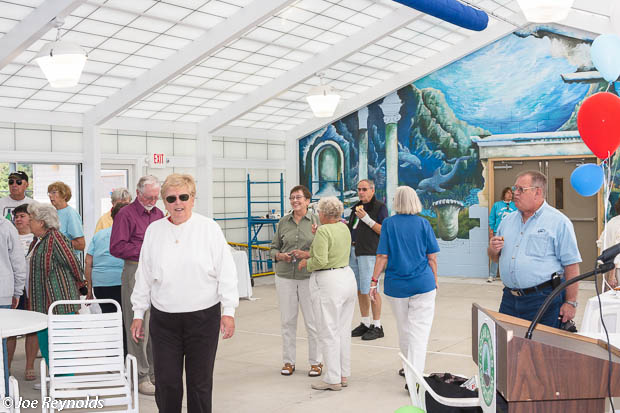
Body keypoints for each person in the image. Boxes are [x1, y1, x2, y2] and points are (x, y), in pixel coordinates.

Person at [130, 174, 238, 413]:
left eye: (183, 197)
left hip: (203, 319)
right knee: (167, 382)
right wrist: (138, 312)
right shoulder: (154, 231)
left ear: (193, 198)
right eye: (171, 198)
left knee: (199, 383)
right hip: (164, 321)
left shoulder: (208, 228)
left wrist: (228, 311)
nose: (177, 203)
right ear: (163, 201)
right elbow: (144, 274)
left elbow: (227, 272)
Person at [488, 171, 581, 328]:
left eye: (520, 190)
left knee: (540, 350)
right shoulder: (507, 221)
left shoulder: (559, 222)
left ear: (537, 192)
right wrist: (493, 249)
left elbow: (571, 265)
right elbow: (495, 257)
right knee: (509, 349)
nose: (514, 194)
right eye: (514, 188)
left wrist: (570, 303)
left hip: (543, 300)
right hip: (510, 299)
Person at [370, 186, 439, 376]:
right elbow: (432, 257)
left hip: (397, 286)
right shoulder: (424, 223)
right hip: (423, 284)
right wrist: (435, 279)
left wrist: (374, 282)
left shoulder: (389, 224)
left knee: (404, 329)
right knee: (420, 331)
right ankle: (415, 375)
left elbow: (382, 256)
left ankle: (409, 367)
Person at [110, 175, 163, 396]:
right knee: (137, 324)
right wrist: (145, 253)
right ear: (139, 193)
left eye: (156, 197)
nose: (153, 200)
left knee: (156, 326)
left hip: (158, 273)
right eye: (149, 197)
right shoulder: (126, 214)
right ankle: (139, 375)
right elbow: (116, 247)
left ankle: (154, 372)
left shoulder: (159, 214)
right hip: (134, 270)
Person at [299, 196, 356, 391]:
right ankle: (343, 373)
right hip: (347, 277)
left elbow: (321, 260)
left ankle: (332, 379)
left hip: (329, 282)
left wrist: (307, 263)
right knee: (342, 330)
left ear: (323, 213)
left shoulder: (323, 230)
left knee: (328, 330)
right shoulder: (343, 227)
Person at [270, 185, 321, 377]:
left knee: (312, 321)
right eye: (292, 198)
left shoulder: (317, 222)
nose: (295, 201)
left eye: (299, 197)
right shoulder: (283, 222)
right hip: (285, 277)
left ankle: (316, 362)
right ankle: (288, 361)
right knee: (287, 321)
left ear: (308, 201)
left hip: (308, 277)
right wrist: (280, 256)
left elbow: (323, 250)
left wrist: (306, 254)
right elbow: (273, 248)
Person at [27, 202, 84, 373]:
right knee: (46, 342)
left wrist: (82, 285)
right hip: (44, 304)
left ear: (42, 222)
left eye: (32, 219)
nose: (29, 222)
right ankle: (55, 377)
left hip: (59, 302)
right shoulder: (40, 240)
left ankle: (65, 379)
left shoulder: (56, 238)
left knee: (61, 343)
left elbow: (73, 263)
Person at [85, 201, 130, 355]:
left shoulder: (99, 235)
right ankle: (124, 356)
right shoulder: (130, 236)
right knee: (125, 320)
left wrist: (89, 290)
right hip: (122, 282)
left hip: (101, 285)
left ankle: (112, 355)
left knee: (110, 319)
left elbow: (88, 262)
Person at [347, 179, 388, 341]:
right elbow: (353, 227)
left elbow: (384, 230)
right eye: (359, 189)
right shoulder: (356, 207)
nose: (361, 192)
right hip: (354, 251)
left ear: (372, 190)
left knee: (371, 289)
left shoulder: (380, 207)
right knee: (360, 289)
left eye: (364, 189)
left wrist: (367, 219)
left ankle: (377, 325)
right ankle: (365, 322)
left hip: (369, 252)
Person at [6, 204, 38, 381]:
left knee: (31, 329)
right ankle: (7, 365)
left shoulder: (37, 238)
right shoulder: (8, 236)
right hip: (12, 290)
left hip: (32, 289)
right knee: (10, 330)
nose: (18, 219)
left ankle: (30, 366)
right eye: (16, 216)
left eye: (22, 216)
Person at [0, 212, 26, 393]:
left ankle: (5, 392)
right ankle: (5, 392)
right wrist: (17, 291)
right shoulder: (7, 227)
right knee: (2, 349)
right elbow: (18, 262)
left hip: (3, 293)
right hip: (4, 292)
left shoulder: (6, 227)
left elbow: (18, 263)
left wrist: (17, 291)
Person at [487, 186, 517, 282]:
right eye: (508, 193)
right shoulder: (497, 205)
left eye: (511, 193)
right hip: (498, 232)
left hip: (511, 232)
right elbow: (492, 218)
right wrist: (491, 232)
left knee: (510, 254)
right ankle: (492, 275)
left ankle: (509, 276)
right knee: (496, 253)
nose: (510, 195)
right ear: (504, 194)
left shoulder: (515, 205)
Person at [47, 181, 85, 253]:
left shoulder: (71, 214)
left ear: (64, 195)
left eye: (54, 192)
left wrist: (57, 242)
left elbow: (81, 244)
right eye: (49, 193)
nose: (50, 195)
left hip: (67, 261)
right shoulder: (51, 212)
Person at [596, 198, 620, 290]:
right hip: (616, 270)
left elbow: (600, 242)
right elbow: (617, 253)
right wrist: (612, 276)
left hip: (606, 268)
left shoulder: (612, 221)